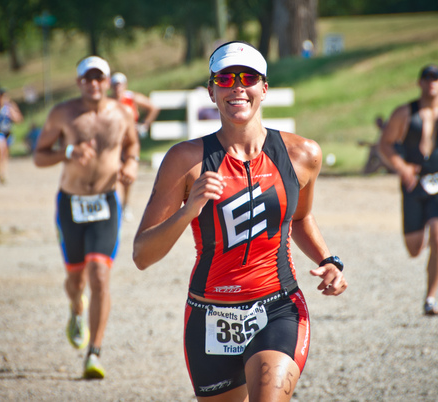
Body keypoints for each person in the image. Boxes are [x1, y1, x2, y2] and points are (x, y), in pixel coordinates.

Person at [132, 41, 348, 401]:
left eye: (247, 77)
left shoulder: (301, 154)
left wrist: (328, 261)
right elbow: (142, 255)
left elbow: (301, 217)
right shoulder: (186, 160)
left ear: (264, 87)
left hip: (278, 307)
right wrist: (189, 210)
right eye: (226, 78)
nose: (237, 87)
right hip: (209, 315)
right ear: (211, 90)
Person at [33, 56, 140, 379]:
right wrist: (68, 152)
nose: (94, 84)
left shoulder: (122, 113)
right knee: (76, 280)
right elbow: (39, 155)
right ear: (79, 82)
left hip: (106, 203)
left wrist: (132, 164)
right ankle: (76, 309)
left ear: (107, 82)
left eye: (99, 78)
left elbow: (132, 146)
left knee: (100, 274)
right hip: (71, 204)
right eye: (88, 79)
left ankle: (94, 352)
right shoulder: (63, 114)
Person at [378, 64, 438, 316]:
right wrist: (401, 167)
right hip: (413, 183)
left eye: (436, 78)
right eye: (426, 78)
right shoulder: (404, 113)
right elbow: (385, 144)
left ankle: (430, 298)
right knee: (414, 248)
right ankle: (422, 237)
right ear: (419, 83)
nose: (431, 82)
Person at [109, 72, 159, 221]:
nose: (117, 87)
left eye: (120, 84)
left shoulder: (131, 98)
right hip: (113, 143)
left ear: (124, 85)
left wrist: (144, 125)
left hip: (130, 142)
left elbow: (153, 107)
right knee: (114, 173)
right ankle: (116, 205)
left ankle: (126, 205)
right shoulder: (108, 101)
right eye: (115, 84)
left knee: (128, 175)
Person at [0, 90, 23, 183]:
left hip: (8, 132)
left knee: (5, 154)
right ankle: (0, 173)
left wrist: (13, 112)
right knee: (1, 152)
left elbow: (19, 120)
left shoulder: (10, 107)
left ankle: (3, 172)